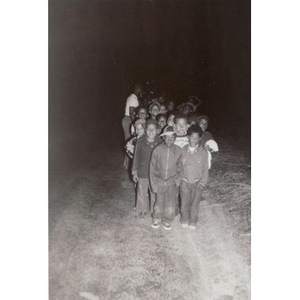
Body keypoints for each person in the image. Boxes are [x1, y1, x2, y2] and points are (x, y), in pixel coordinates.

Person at [150, 126, 183, 230]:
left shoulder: (178, 150)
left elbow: (181, 167)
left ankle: (167, 220)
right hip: (159, 181)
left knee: (170, 203)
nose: (169, 139)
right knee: (158, 202)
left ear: (175, 138)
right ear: (163, 138)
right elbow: (152, 167)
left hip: (171, 182)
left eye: (172, 137)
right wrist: (153, 184)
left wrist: (177, 181)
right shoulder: (157, 150)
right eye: (167, 137)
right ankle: (157, 218)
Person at [180, 125, 209, 230]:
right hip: (184, 182)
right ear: (188, 137)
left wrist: (203, 182)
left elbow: (205, 168)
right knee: (184, 202)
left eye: (197, 137)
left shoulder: (203, 152)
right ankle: (184, 219)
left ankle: (193, 221)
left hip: (197, 183)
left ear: (200, 139)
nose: (194, 139)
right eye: (192, 137)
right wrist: (179, 179)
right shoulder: (183, 150)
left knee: (195, 204)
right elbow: (179, 165)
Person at [132, 119, 161, 218]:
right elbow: (135, 158)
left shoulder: (160, 141)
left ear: (157, 130)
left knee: (154, 192)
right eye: (149, 129)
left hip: (155, 174)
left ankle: (154, 210)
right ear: (145, 130)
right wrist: (135, 172)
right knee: (141, 191)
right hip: (143, 172)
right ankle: (141, 209)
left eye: (153, 129)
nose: (151, 131)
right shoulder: (140, 142)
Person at [122, 84, 143, 169]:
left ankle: (127, 164)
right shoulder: (133, 99)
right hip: (129, 120)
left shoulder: (131, 97)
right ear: (138, 90)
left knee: (130, 142)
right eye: (141, 89)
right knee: (130, 143)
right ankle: (128, 165)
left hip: (127, 119)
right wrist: (135, 124)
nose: (142, 91)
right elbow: (131, 113)